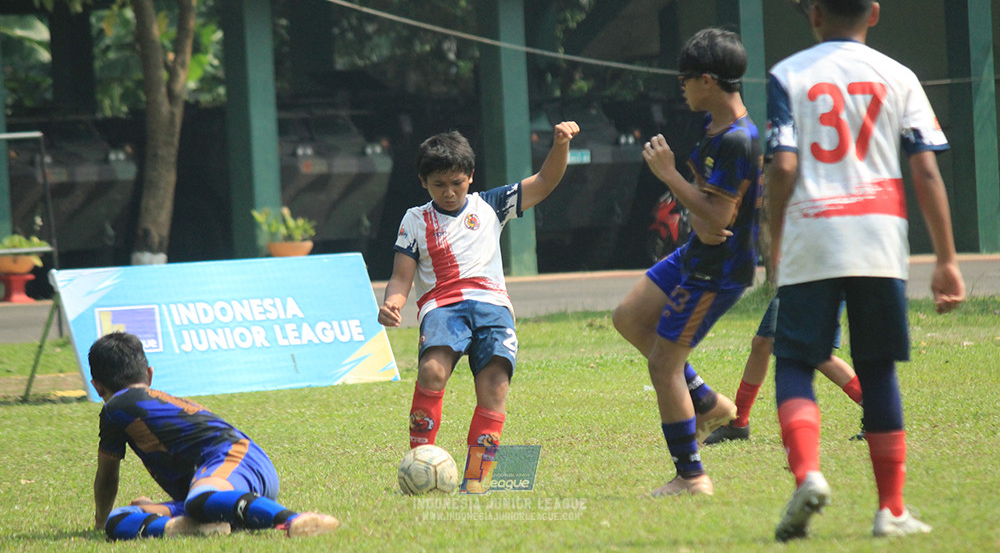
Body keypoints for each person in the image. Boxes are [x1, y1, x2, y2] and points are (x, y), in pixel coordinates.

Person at [766, 0, 965, 541]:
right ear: (874, 13)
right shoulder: (899, 75)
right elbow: (926, 171)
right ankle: (891, 509)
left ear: (814, 14)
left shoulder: (788, 75)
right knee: (877, 368)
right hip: (879, 237)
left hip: (813, 236)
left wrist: (775, 239)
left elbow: (782, 165)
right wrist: (947, 259)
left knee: (797, 361)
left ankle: (807, 473)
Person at [378, 124, 579, 492]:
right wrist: (393, 301)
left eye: (457, 182)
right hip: (443, 307)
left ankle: (477, 479)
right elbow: (401, 275)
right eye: (439, 185)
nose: (450, 192)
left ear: (470, 176)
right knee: (432, 371)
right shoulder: (414, 219)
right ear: (424, 182)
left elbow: (546, 180)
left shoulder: (491, 204)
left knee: (495, 385)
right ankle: (421, 465)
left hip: (492, 307)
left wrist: (560, 145)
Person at [612, 27, 762, 497]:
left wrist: (667, 174)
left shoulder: (739, 139)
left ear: (708, 81)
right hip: (696, 252)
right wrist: (697, 214)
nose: (680, 85)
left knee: (663, 364)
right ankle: (708, 403)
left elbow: (719, 214)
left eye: (685, 77)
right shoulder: (713, 126)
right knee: (629, 318)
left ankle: (692, 476)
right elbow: (710, 208)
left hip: (716, 270)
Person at [89, 332, 339, 540]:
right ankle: (190, 528)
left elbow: (107, 476)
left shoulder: (114, 408)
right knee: (120, 519)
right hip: (237, 473)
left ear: (98, 386)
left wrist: (100, 522)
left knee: (198, 500)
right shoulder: (158, 402)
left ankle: (293, 520)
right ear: (150, 374)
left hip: (233, 459)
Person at [704, 296, 863, 444]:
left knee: (813, 352)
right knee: (763, 342)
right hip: (801, 275)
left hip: (818, 275)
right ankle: (738, 424)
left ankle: (878, 413)